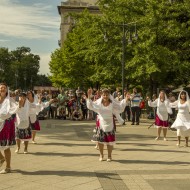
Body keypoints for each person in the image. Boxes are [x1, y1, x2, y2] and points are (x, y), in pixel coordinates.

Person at [86, 88, 128, 162]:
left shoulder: (112, 103)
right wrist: (89, 97)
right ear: (102, 95)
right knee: (100, 141)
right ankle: (101, 155)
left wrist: (126, 99)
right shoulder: (98, 102)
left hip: (110, 123)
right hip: (101, 123)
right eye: (104, 95)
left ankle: (109, 156)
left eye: (107, 95)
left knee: (110, 141)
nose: (105, 96)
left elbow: (120, 107)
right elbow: (91, 106)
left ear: (109, 95)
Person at [0, 83, 20, 174]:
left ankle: (8, 167)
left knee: (6, 147)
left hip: (6, 125)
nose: (2, 89)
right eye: (0, 88)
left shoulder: (10, 100)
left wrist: (20, 104)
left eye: (4, 88)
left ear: (7, 90)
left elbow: (16, 108)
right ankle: (1, 158)